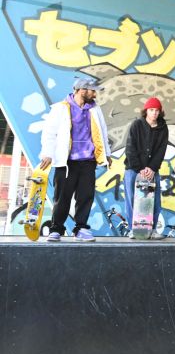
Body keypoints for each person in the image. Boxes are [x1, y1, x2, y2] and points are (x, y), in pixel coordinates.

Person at [39, 77, 112, 242]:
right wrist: (47, 153)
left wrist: (106, 153)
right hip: (66, 162)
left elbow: (103, 132)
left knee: (85, 196)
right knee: (62, 197)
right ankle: (56, 229)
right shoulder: (60, 108)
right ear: (82, 90)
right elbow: (49, 133)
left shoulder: (95, 109)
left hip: (88, 160)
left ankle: (80, 229)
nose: (95, 94)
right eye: (92, 90)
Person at [123, 97, 168, 240]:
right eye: (151, 110)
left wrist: (152, 168)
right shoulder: (137, 125)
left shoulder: (163, 127)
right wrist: (140, 168)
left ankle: (152, 229)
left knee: (154, 201)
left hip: (152, 171)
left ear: (160, 112)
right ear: (146, 111)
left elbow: (161, 150)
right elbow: (130, 148)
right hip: (133, 169)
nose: (154, 113)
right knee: (132, 200)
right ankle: (132, 229)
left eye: (157, 110)